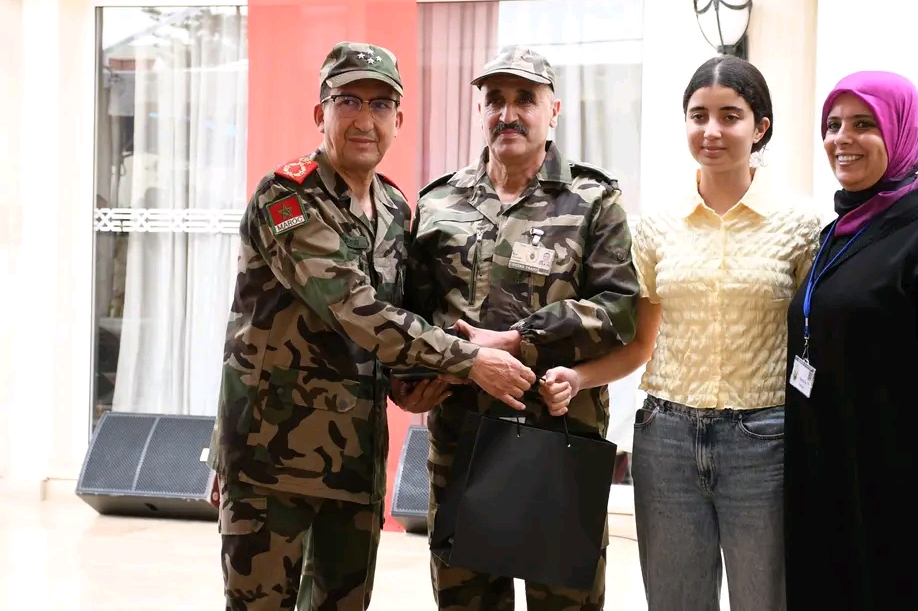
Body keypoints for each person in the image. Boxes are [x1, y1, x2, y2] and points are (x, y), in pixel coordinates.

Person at [206, 41, 535, 611]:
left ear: (398, 121)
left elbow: (398, 320)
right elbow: (353, 308)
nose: (365, 120)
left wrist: (412, 385)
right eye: (349, 102)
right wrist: (470, 362)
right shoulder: (286, 197)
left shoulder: (394, 208)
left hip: (354, 460)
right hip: (268, 460)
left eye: (381, 105)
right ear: (321, 113)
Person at [541, 55, 821, 610]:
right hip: (665, 440)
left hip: (765, 441)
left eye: (730, 116)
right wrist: (579, 376)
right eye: (698, 115)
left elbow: (814, 345)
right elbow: (641, 346)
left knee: (766, 601)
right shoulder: (655, 226)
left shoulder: (801, 225)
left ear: (760, 127)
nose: (711, 130)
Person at [406, 45, 640, 611]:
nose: (507, 114)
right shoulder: (439, 202)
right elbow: (411, 313)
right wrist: (420, 374)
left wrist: (522, 339)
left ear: (552, 110)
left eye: (525, 100)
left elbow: (621, 310)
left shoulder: (592, 200)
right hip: (462, 443)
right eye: (495, 100)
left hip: (558, 439)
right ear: (480, 109)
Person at [783, 70, 918, 611]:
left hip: (905, 503)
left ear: (901, 131)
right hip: (832, 489)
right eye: (833, 125)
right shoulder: (840, 233)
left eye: (864, 124)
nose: (842, 139)